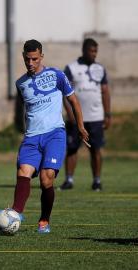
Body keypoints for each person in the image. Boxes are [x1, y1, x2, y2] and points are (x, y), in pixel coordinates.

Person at [0, 40, 88, 233]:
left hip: (54, 135)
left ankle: (44, 220)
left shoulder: (57, 75)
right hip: (31, 138)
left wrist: (80, 126)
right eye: (27, 59)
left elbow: (73, 101)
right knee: (23, 173)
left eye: (35, 59)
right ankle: (15, 213)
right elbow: (23, 109)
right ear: (23, 57)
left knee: (46, 179)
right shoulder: (20, 83)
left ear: (41, 56)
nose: (31, 63)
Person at [59, 38, 111, 191]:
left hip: (96, 117)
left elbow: (106, 91)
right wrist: (70, 114)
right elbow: (64, 92)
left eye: (96, 51)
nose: (94, 54)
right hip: (76, 119)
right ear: (84, 50)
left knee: (95, 149)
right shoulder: (71, 68)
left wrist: (108, 114)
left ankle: (97, 181)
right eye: (91, 51)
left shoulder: (100, 68)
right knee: (72, 148)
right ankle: (69, 180)